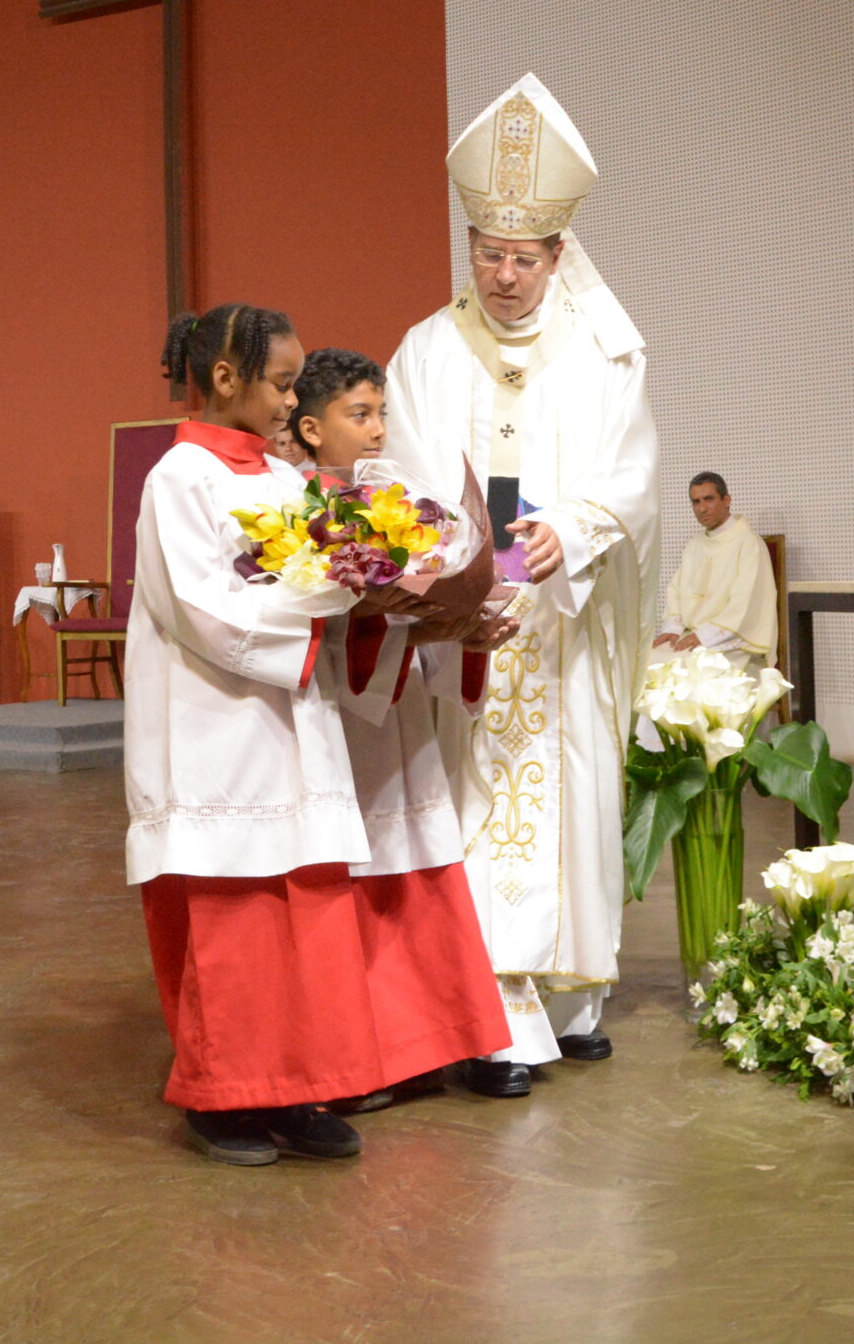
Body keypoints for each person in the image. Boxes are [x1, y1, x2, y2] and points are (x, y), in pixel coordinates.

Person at [385, 72, 660, 1095]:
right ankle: (493, 1015)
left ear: (558, 256)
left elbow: (630, 477)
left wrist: (572, 529)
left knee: (573, 801)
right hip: (475, 630)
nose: (504, 276)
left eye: (523, 257)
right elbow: (401, 480)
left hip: (561, 619)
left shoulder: (601, 352)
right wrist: (471, 563)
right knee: (480, 805)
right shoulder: (423, 351)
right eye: (488, 254)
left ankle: (572, 993)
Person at [130, 303, 408, 1166]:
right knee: (235, 925)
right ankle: (222, 1098)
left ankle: (301, 1086)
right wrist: (327, 600)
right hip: (218, 731)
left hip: (296, 727)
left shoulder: (286, 481)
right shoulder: (180, 478)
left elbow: (331, 562)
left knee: (310, 916)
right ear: (225, 378)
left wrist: (393, 590)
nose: (293, 401)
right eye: (283, 384)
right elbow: (205, 613)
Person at [286, 347, 514, 1116]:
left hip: (398, 706)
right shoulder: (296, 512)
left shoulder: (398, 507)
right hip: (341, 720)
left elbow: (417, 599)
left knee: (413, 864)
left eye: (382, 412)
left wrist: (464, 624)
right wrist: (386, 612)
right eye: (360, 415)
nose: (379, 430)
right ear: (311, 428)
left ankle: (422, 1043)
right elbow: (316, 615)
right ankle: (362, 1048)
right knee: (357, 874)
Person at [654, 471, 777, 668]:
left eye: (709, 499)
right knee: (646, 664)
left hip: (733, 644)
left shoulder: (748, 543)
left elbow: (745, 605)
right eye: (696, 502)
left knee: (676, 671)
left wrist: (705, 636)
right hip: (692, 637)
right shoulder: (694, 546)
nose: (702, 508)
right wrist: (673, 628)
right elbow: (676, 591)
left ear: (727, 500)